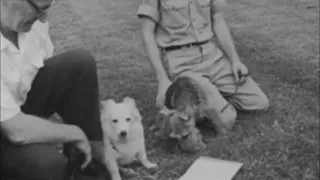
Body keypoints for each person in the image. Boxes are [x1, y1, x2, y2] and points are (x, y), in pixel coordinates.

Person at [0, 0, 110, 179]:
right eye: (39, 10)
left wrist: (92, 134)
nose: (43, 18)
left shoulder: (32, 25)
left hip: (17, 108)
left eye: (47, 8)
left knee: (79, 64)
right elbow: (15, 131)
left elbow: (53, 84)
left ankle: (96, 160)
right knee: (48, 165)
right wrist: (73, 133)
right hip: (7, 129)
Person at [137, 0, 269, 129]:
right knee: (227, 120)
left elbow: (218, 21)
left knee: (259, 102)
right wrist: (162, 79)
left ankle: (198, 101)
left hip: (212, 56)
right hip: (181, 62)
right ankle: (189, 100)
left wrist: (235, 60)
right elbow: (147, 32)